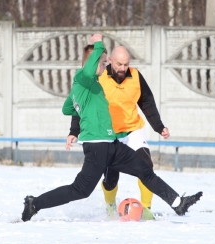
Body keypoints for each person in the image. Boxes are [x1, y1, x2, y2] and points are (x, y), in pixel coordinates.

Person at [21, 34, 202, 222]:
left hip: (111, 144)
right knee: (80, 190)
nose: (104, 66)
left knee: (145, 170)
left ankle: (178, 203)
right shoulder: (83, 78)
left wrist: (82, 107)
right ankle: (34, 204)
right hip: (96, 147)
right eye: (101, 63)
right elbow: (77, 94)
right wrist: (98, 42)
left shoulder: (93, 87)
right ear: (90, 64)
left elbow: (67, 108)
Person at [66, 45, 169, 220]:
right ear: (110, 61)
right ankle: (111, 206)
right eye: (119, 64)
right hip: (108, 134)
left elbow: (147, 102)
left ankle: (146, 209)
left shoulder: (136, 76)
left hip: (132, 130)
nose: (123, 68)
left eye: (126, 64)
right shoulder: (97, 77)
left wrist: (159, 126)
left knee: (146, 167)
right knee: (111, 178)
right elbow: (82, 105)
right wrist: (74, 130)